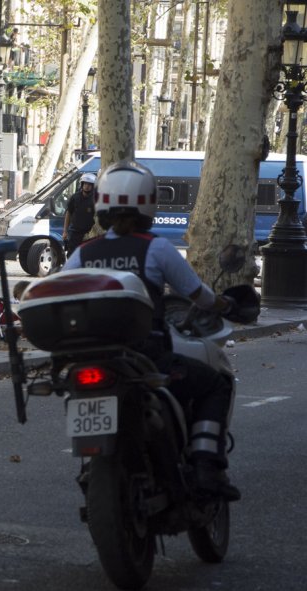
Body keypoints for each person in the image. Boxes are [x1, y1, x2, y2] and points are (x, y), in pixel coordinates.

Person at [64, 160, 240, 501]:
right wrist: (226, 306)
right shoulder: (156, 248)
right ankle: (206, 466)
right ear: (148, 203)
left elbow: (59, 288)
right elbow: (198, 294)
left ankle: (90, 466)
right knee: (214, 385)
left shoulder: (84, 253)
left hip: (93, 358)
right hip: (149, 357)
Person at [63, 172, 97, 255]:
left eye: (89, 184)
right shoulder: (75, 197)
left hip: (89, 234)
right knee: (71, 256)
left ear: (93, 186)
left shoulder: (96, 199)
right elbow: (68, 213)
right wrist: (65, 231)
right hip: (75, 234)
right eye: (85, 183)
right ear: (82, 184)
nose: (87, 186)